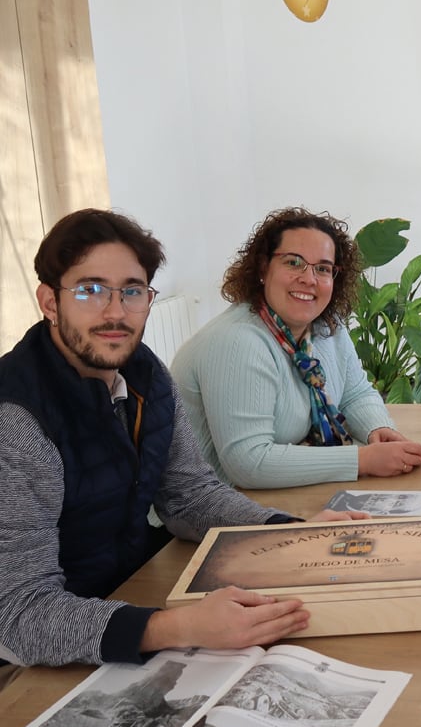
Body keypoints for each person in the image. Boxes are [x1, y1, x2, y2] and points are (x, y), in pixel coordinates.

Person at [0, 209, 366, 679]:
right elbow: (20, 615)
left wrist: (291, 531)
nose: (115, 312)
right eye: (90, 290)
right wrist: (177, 626)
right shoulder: (17, 421)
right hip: (32, 663)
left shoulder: (144, 374)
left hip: (128, 598)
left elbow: (188, 496)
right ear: (49, 301)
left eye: (132, 291)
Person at [171, 208, 421, 489]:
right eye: (294, 262)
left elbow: (355, 393)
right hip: (210, 510)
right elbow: (249, 463)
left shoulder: (327, 327)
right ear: (263, 268)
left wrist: (378, 428)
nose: (309, 279)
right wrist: (361, 460)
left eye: (323, 268)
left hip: (274, 496)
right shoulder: (237, 341)